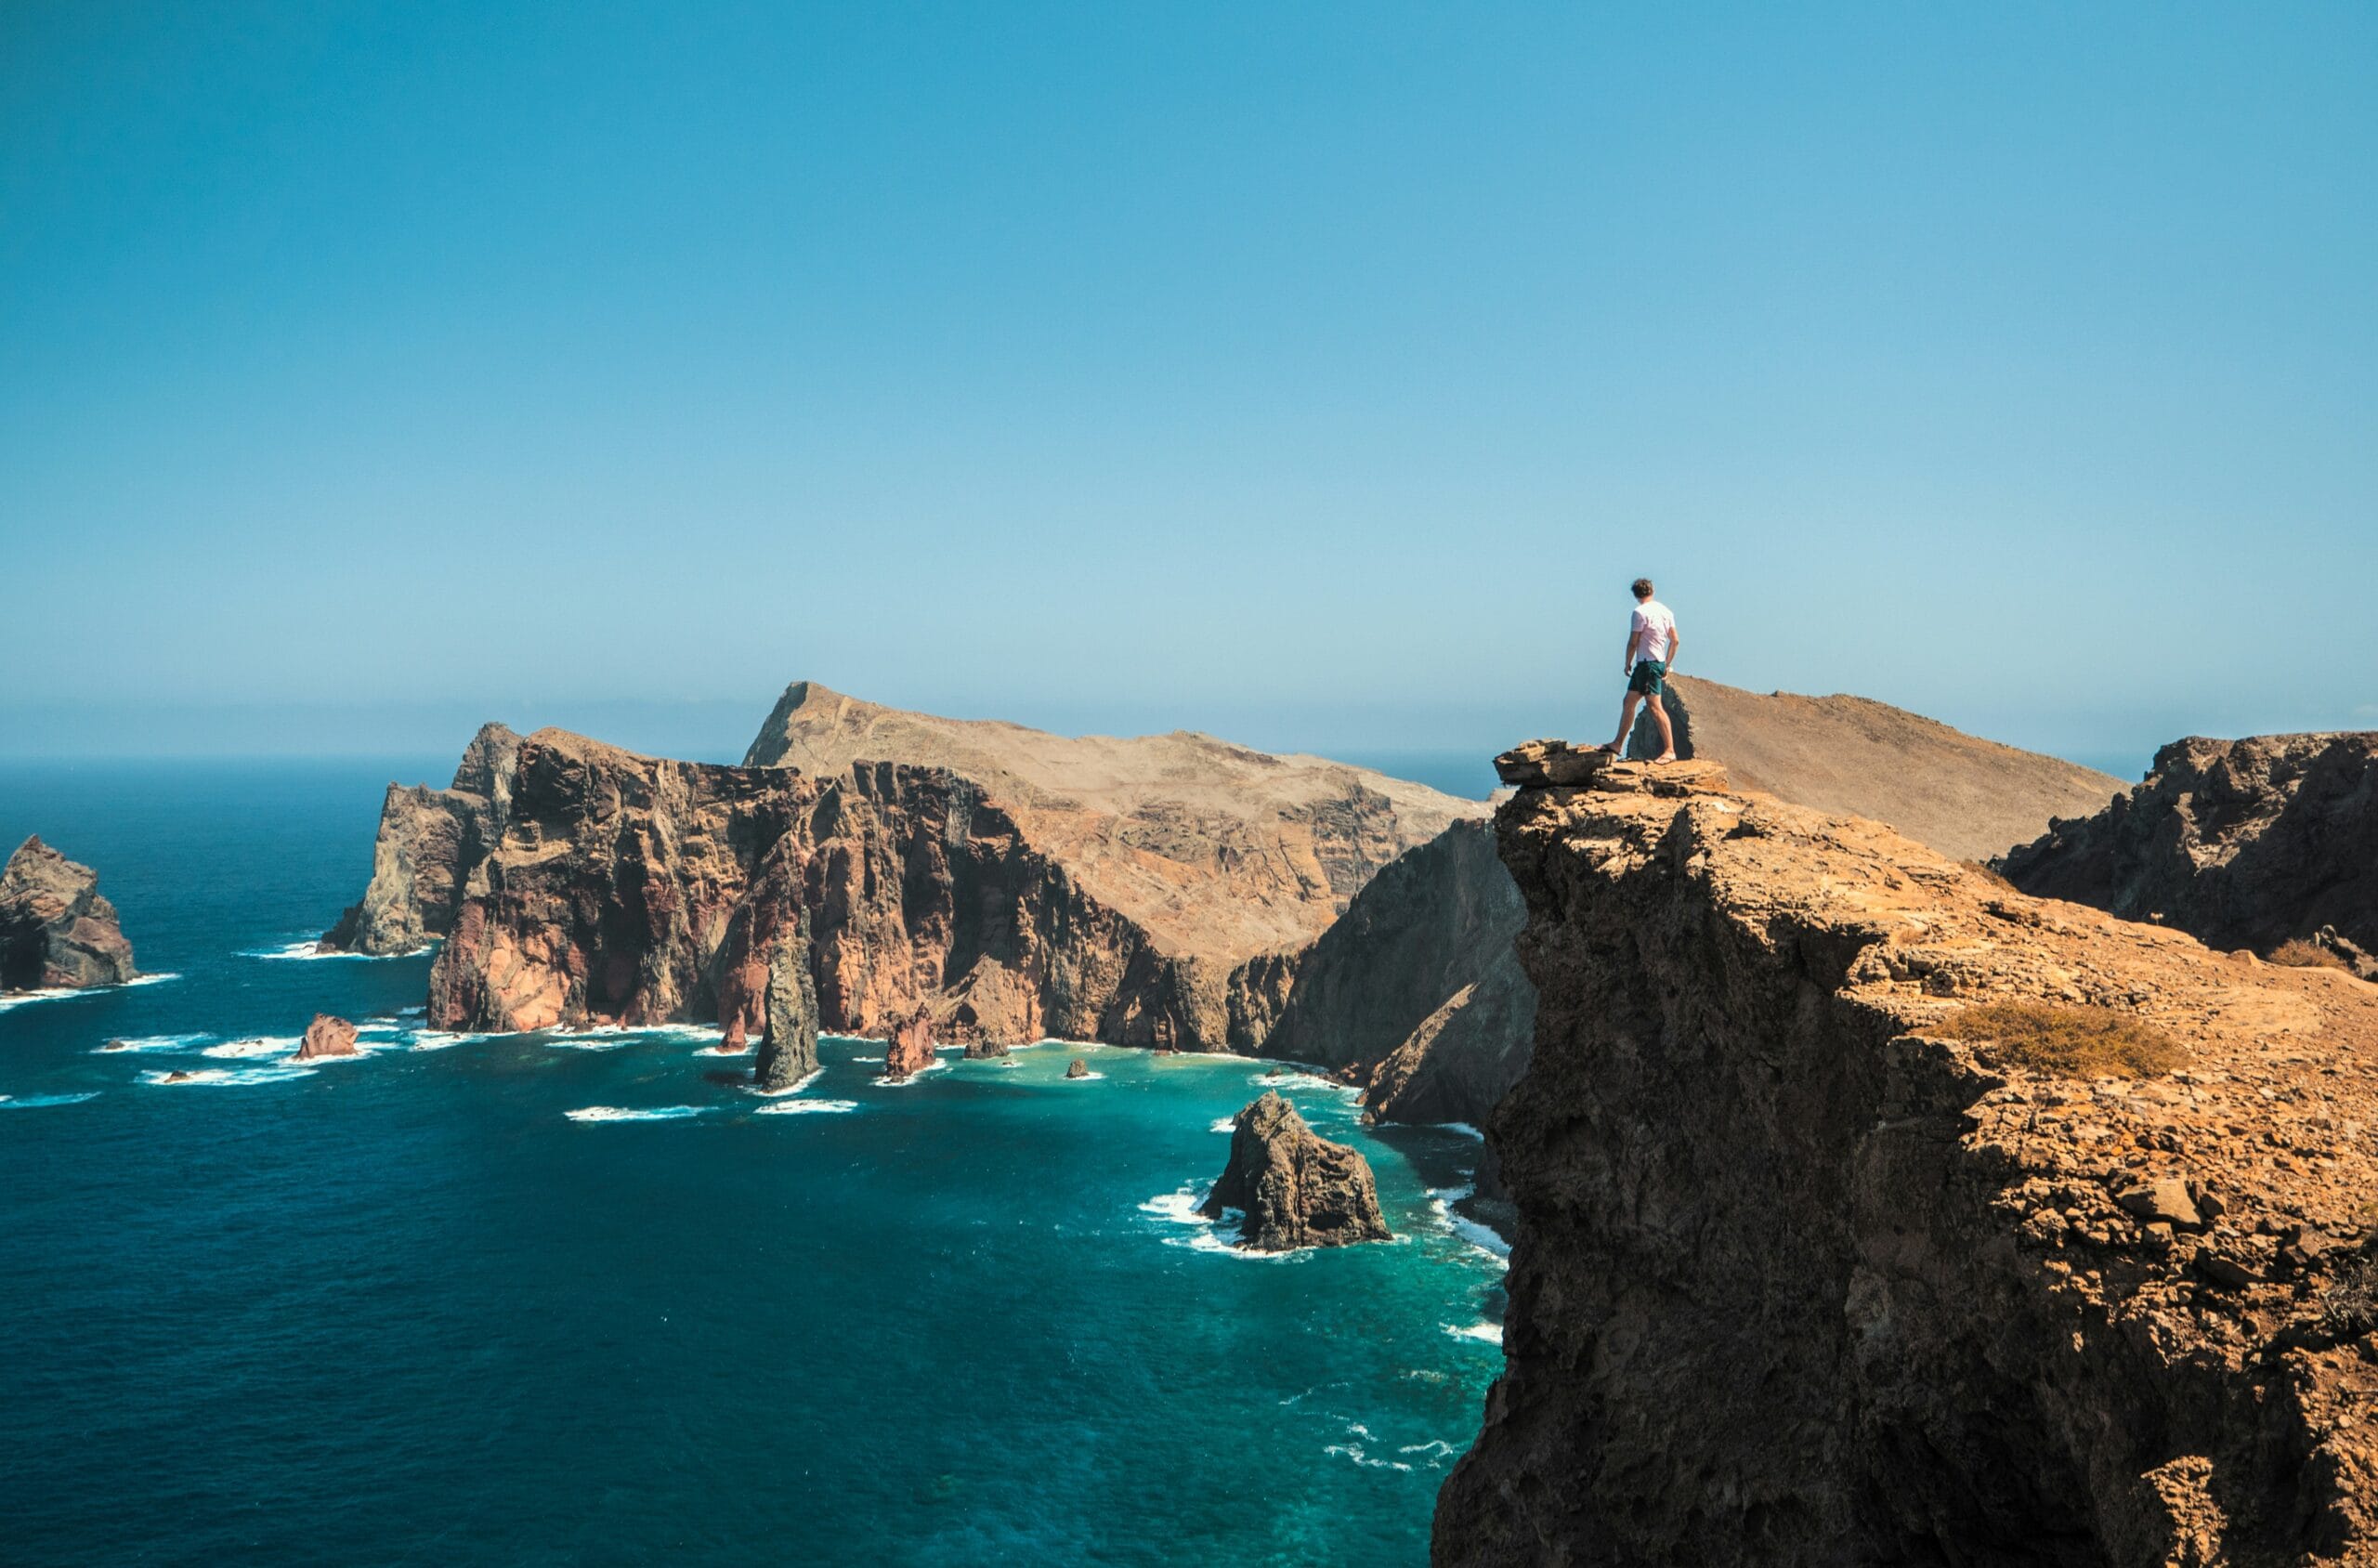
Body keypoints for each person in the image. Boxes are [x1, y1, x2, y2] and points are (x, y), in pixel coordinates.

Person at [1600, 577, 1680, 763]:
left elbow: (1633, 641)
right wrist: (1666, 664)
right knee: (1629, 701)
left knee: (1655, 707)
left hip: (1647, 664)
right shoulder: (1666, 611)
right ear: (1652, 591)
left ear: (1635, 595)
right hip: (1653, 663)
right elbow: (1675, 640)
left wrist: (1627, 662)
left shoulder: (1639, 613)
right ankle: (1618, 743)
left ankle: (1670, 750)